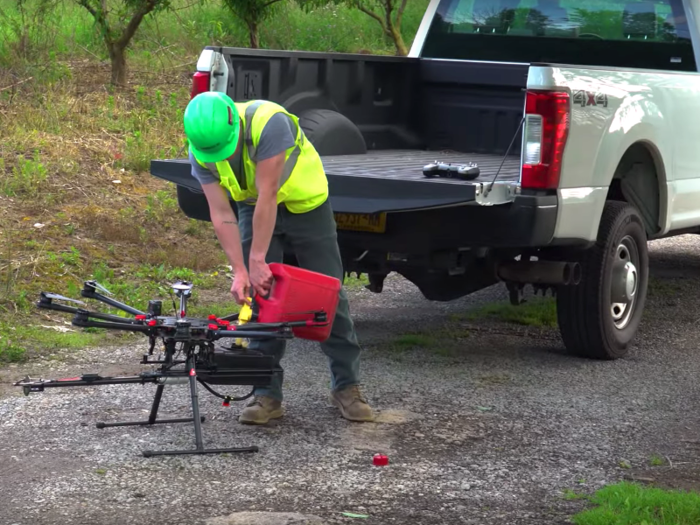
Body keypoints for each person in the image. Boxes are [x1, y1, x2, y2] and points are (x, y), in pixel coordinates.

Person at [182, 91, 374, 425]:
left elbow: (268, 194)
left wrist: (258, 260)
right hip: (251, 208)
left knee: (329, 296)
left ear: (234, 123)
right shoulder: (202, 149)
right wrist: (241, 270)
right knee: (260, 299)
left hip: (305, 206)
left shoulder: (270, 122)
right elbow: (220, 211)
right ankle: (267, 395)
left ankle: (346, 387)